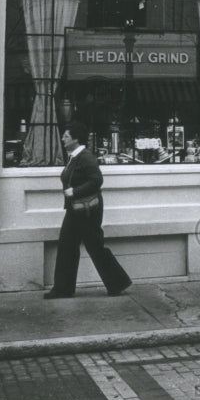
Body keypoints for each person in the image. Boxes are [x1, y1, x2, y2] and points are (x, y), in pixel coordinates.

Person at [45, 121, 132, 299]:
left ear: (76, 139)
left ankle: (116, 282)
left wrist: (74, 191)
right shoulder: (74, 156)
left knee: (92, 247)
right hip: (76, 210)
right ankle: (64, 288)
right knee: (68, 247)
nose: (63, 138)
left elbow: (96, 180)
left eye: (66, 136)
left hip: (87, 211)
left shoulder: (85, 157)